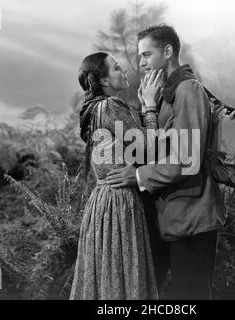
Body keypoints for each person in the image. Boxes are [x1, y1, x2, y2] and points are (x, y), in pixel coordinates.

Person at [106, 25, 227, 300]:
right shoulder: (162, 94)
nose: (141, 62)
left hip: (193, 218)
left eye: (147, 54)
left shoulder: (189, 90)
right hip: (169, 218)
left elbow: (187, 158)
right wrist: (148, 106)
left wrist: (137, 177)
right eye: (140, 56)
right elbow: (155, 151)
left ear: (168, 51)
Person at [70, 52, 163, 300]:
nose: (123, 71)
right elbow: (149, 151)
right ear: (103, 81)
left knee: (104, 280)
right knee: (125, 280)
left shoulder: (92, 111)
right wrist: (151, 106)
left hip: (100, 203)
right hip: (120, 202)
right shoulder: (110, 106)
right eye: (117, 68)